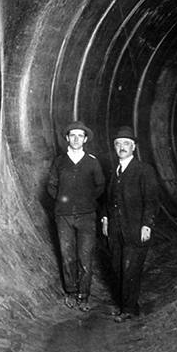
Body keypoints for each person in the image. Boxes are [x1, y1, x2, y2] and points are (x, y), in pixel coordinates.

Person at [101, 126, 160, 322]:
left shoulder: (144, 170)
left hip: (135, 230)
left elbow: (151, 200)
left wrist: (147, 224)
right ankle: (125, 304)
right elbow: (108, 200)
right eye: (118, 144)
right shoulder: (115, 172)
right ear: (114, 148)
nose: (122, 147)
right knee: (118, 268)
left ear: (133, 147)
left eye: (126, 143)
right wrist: (105, 218)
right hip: (116, 231)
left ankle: (129, 309)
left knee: (130, 270)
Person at [46, 121, 105, 311]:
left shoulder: (92, 162)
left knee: (85, 257)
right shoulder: (59, 162)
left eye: (80, 135)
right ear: (67, 138)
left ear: (85, 139)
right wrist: (63, 201)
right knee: (67, 256)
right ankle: (71, 292)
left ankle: (84, 295)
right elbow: (51, 185)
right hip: (63, 216)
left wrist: (87, 201)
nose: (76, 139)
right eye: (73, 135)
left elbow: (100, 185)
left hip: (86, 216)